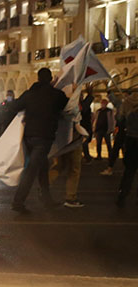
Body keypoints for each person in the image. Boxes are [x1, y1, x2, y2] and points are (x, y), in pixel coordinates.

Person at [9, 67, 69, 213]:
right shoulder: (56, 95)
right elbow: (67, 105)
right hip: (44, 137)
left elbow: (15, 106)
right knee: (32, 170)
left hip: (29, 136)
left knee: (42, 168)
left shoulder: (30, 94)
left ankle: (47, 199)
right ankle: (18, 202)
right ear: (50, 79)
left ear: (38, 78)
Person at [109, 88, 138, 207]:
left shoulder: (127, 105)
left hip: (131, 140)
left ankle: (122, 195)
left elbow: (120, 119)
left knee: (129, 171)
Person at [94, 98, 114, 166]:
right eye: (102, 103)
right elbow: (96, 120)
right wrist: (94, 128)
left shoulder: (110, 111)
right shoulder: (98, 111)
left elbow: (112, 121)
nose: (103, 104)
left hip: (106, 130)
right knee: (98, 144)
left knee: (108, 144)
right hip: (99, 130)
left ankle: (111, 156)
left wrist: (111, 129)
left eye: (104, 103)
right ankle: (99, 155)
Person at [79, 90, 94, 162]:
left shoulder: (82, 106)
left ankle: (87, 157)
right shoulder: (81, 105)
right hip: (83, 127)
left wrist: (90, 95)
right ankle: (86, 157)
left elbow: (85, 105)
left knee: (84, 143)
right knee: (83, 144)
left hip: (84, 127)